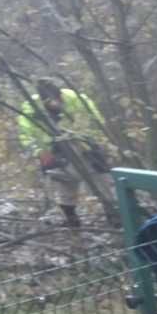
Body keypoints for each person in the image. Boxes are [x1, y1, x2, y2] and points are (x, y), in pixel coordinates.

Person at [18, 79, 108, 229]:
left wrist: (84, 139)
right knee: (64, 181)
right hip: (52, 149)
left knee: (101, 177)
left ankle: (113, 210)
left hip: (82, 144)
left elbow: (96, 122)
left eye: (57, 100)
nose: (54, 104)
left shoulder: (76, 100)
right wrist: (40, 152)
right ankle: (71, 218)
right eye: (49, 101)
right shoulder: (30, 108)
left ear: (60, 95)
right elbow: (26, 136)